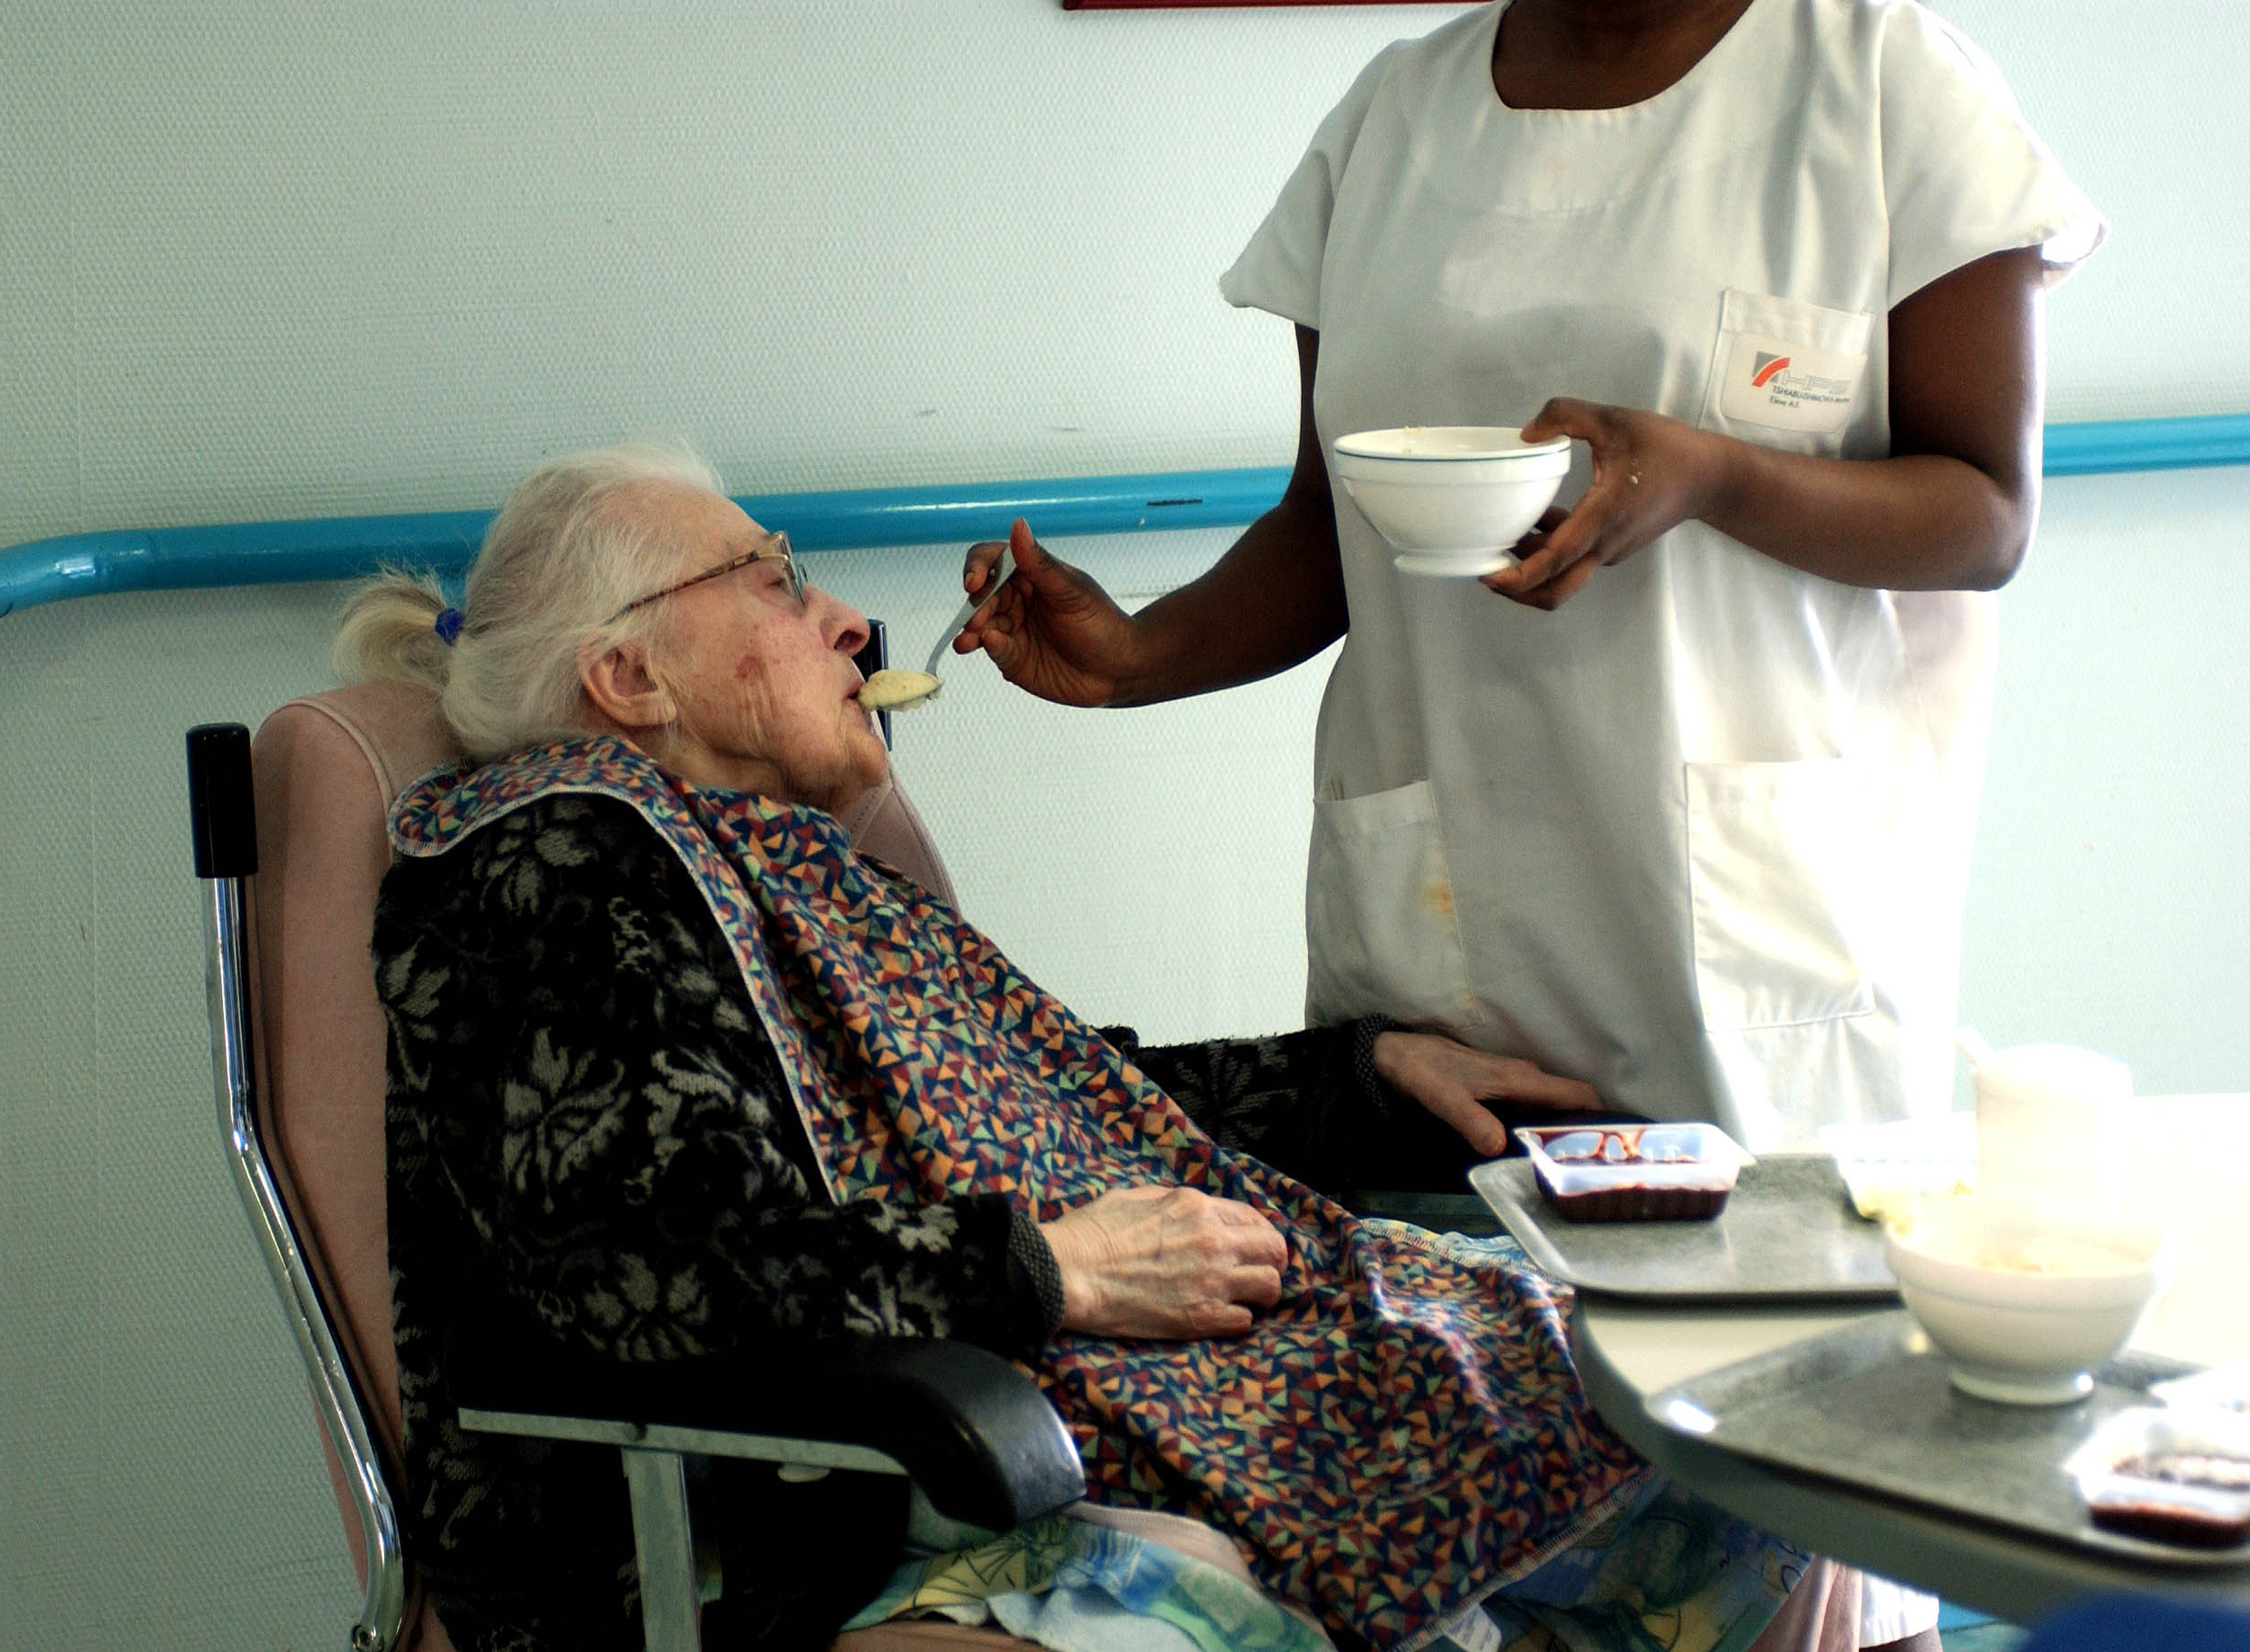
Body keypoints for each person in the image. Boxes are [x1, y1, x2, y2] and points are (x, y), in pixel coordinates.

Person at [342, 444, 1862, 1652]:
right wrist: (1051, 1271)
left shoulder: (763, 859)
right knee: (1596, 1420)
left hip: (966, 1429)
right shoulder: (547, 865)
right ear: (628, 678)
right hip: (780, 1516)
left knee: (1710, 1434)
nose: (847, 621)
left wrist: (1358, 1076)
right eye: (777, 580)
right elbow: (647, 1258)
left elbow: (1048, 1099)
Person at [952, 0, 2102, 1177]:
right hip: (1444, 930)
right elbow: (1330, 522)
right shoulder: (1393, 118)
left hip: (1751, 935)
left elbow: (1985, 511)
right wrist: (1137, 654)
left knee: (1762, 1277)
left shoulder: (1884, 84)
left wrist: (1713, 477)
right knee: (1433, 1273)